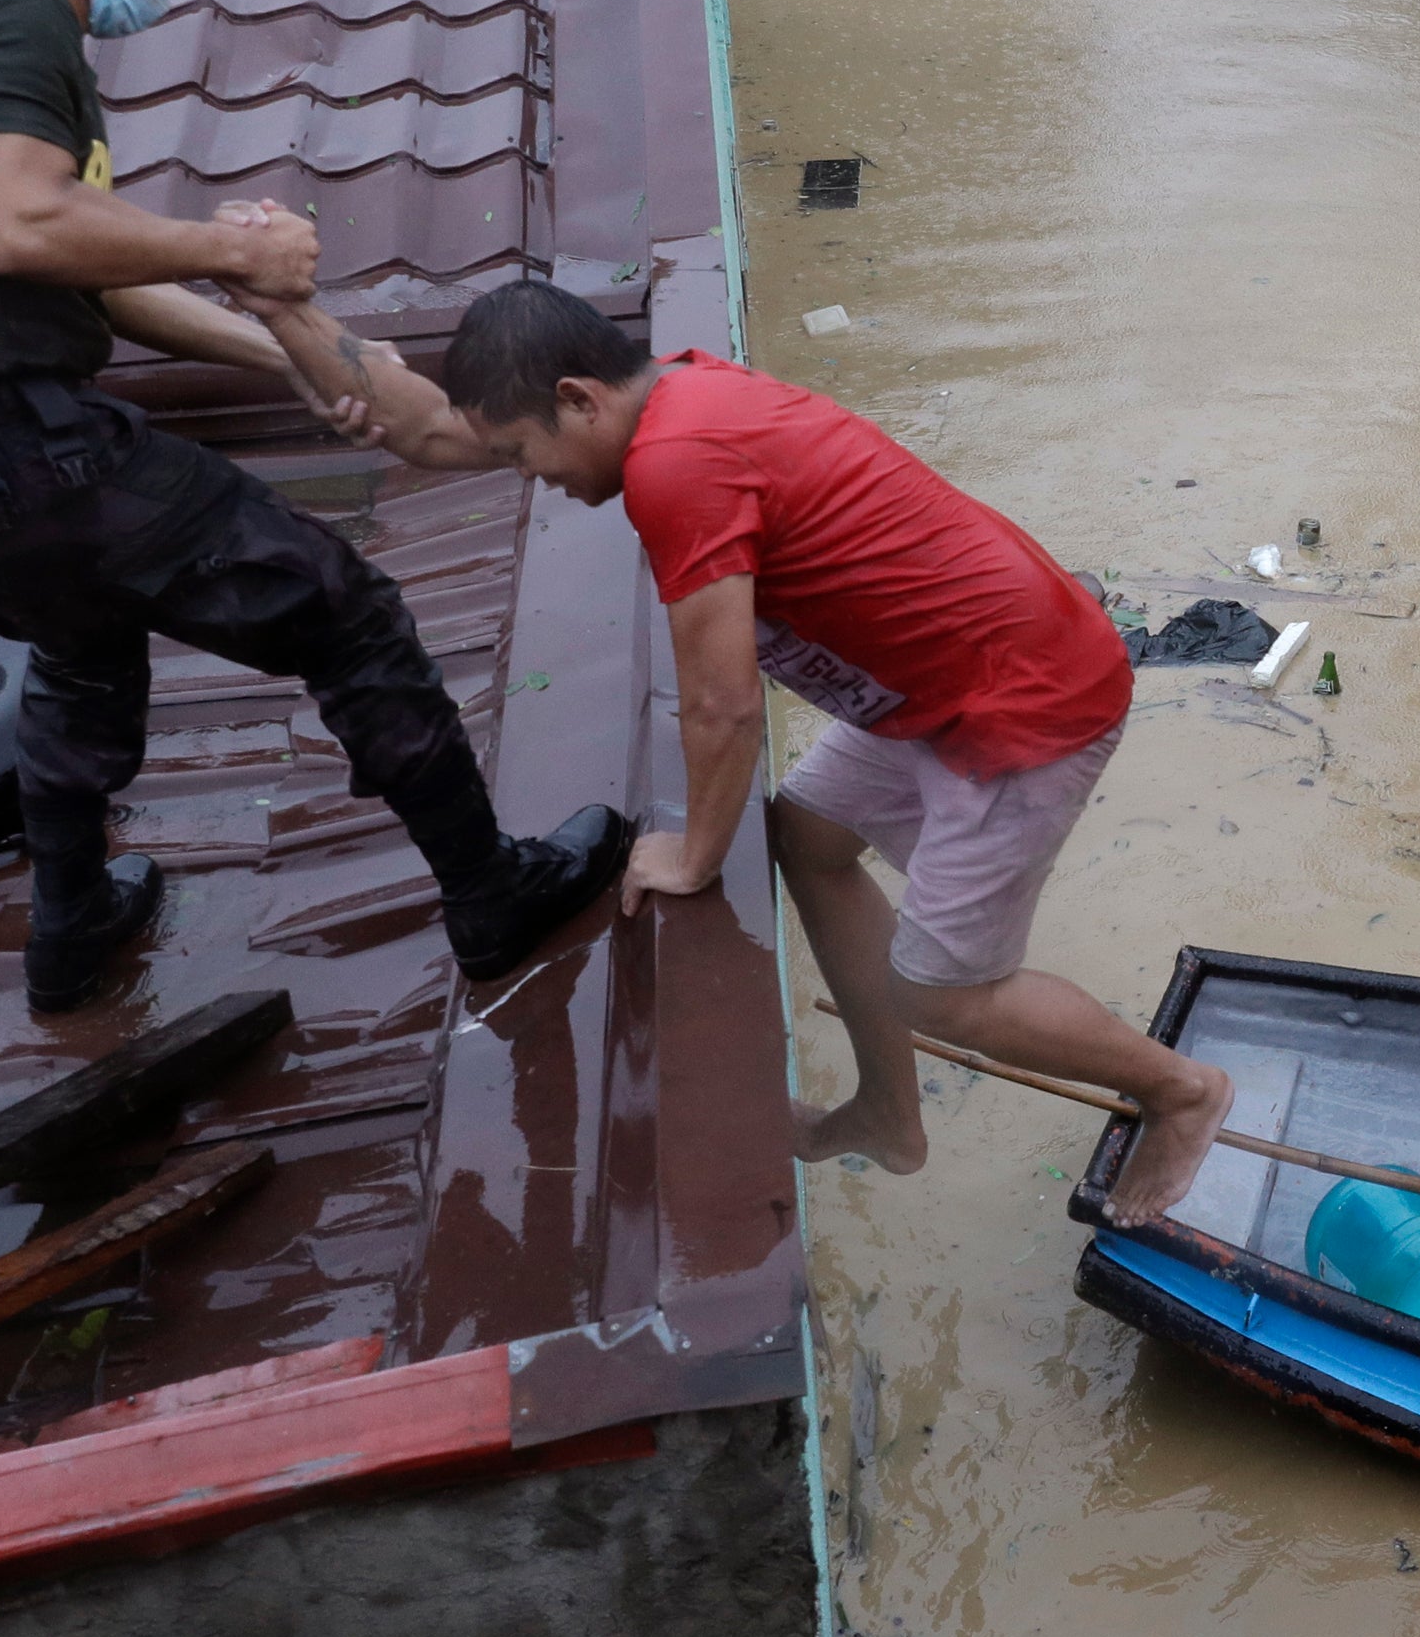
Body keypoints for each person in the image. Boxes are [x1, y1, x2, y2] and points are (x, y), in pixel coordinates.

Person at [0, 0, 628, 1012]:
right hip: (20, 452)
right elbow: (19, 226)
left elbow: (96, 281)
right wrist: (234, 244)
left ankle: (72, 927)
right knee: (346, 611)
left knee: (87, 650)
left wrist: (284, 346)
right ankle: (490, 891)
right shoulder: (3, 7)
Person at [249, 280, 1237, 1222]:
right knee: (806, 838)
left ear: (577, 398)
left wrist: (692, 855)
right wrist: (281, 308)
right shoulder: (675, 388)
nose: (530, 480)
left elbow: (721, 706)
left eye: (521, 454)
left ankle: (1183, 1089)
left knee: (946, 993)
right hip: (936, 684)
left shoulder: (675, 464)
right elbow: (430, 428)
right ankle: (889, 1114)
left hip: (1020, 701)